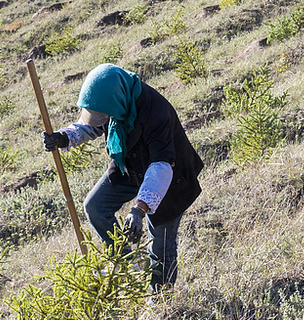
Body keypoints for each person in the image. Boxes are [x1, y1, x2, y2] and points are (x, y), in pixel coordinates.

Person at [41, 63, 203, 292]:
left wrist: (139, 210)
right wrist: (63, 138)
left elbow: (161, 167)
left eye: (104, 114)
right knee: (95, 207)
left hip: (170, 177)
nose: (102, 118)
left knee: (160, 243)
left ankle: (161, 297)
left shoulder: (156, 113)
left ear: (115, 104)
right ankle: (129, 265)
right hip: (131, 165)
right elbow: (93, 124)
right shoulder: (115, 101)